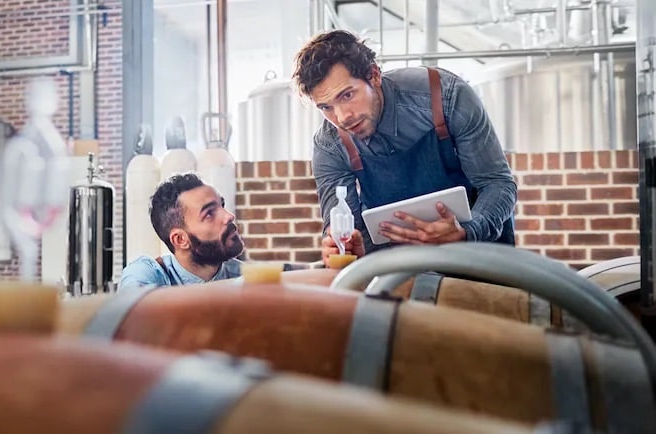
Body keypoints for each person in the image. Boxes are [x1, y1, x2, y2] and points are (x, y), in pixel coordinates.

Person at [291, 30, 517, 265]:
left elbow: (497, 184)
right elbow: (343, 227)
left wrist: (467, 231)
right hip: (397, 273)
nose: (341, 117)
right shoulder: (329, 144)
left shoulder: (447, 96)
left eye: (347, 95)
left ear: (374, 75)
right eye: (326, 107)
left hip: (481, 263)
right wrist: (342, 247)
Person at [119, 173, 244, 290]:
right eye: (209, 214)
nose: (229, 216)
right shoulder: (144, 275)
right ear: (180, 240)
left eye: (222, 205)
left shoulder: (243, 275)